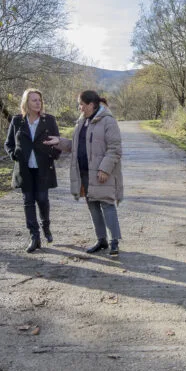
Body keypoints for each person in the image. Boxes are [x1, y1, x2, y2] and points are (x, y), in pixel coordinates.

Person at [44, 90, 123, 257]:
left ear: (91, 105)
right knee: (92, 205)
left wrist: (104, 169)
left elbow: (115, 149)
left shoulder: (108, 121)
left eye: (81, 104)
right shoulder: (81, 122)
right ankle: (101, 240)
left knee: (107, 204)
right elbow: (76, 145)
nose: (79, 107)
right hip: (84, 172)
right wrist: (59, 141)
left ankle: (114, 241)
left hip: (101, 173)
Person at [5, 89, 61, 253]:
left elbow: (57, 142)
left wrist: (53, 154)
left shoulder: (49, 120)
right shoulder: (17, 121)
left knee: (42, 199)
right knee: (28, 201)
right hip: (24, 168)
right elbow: (8, 143)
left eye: (39, 100)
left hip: (43, 167)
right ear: (26, 103)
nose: (38, 103)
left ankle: (46, 226)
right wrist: (14, 155)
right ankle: (34, 236)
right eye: (34, 100)